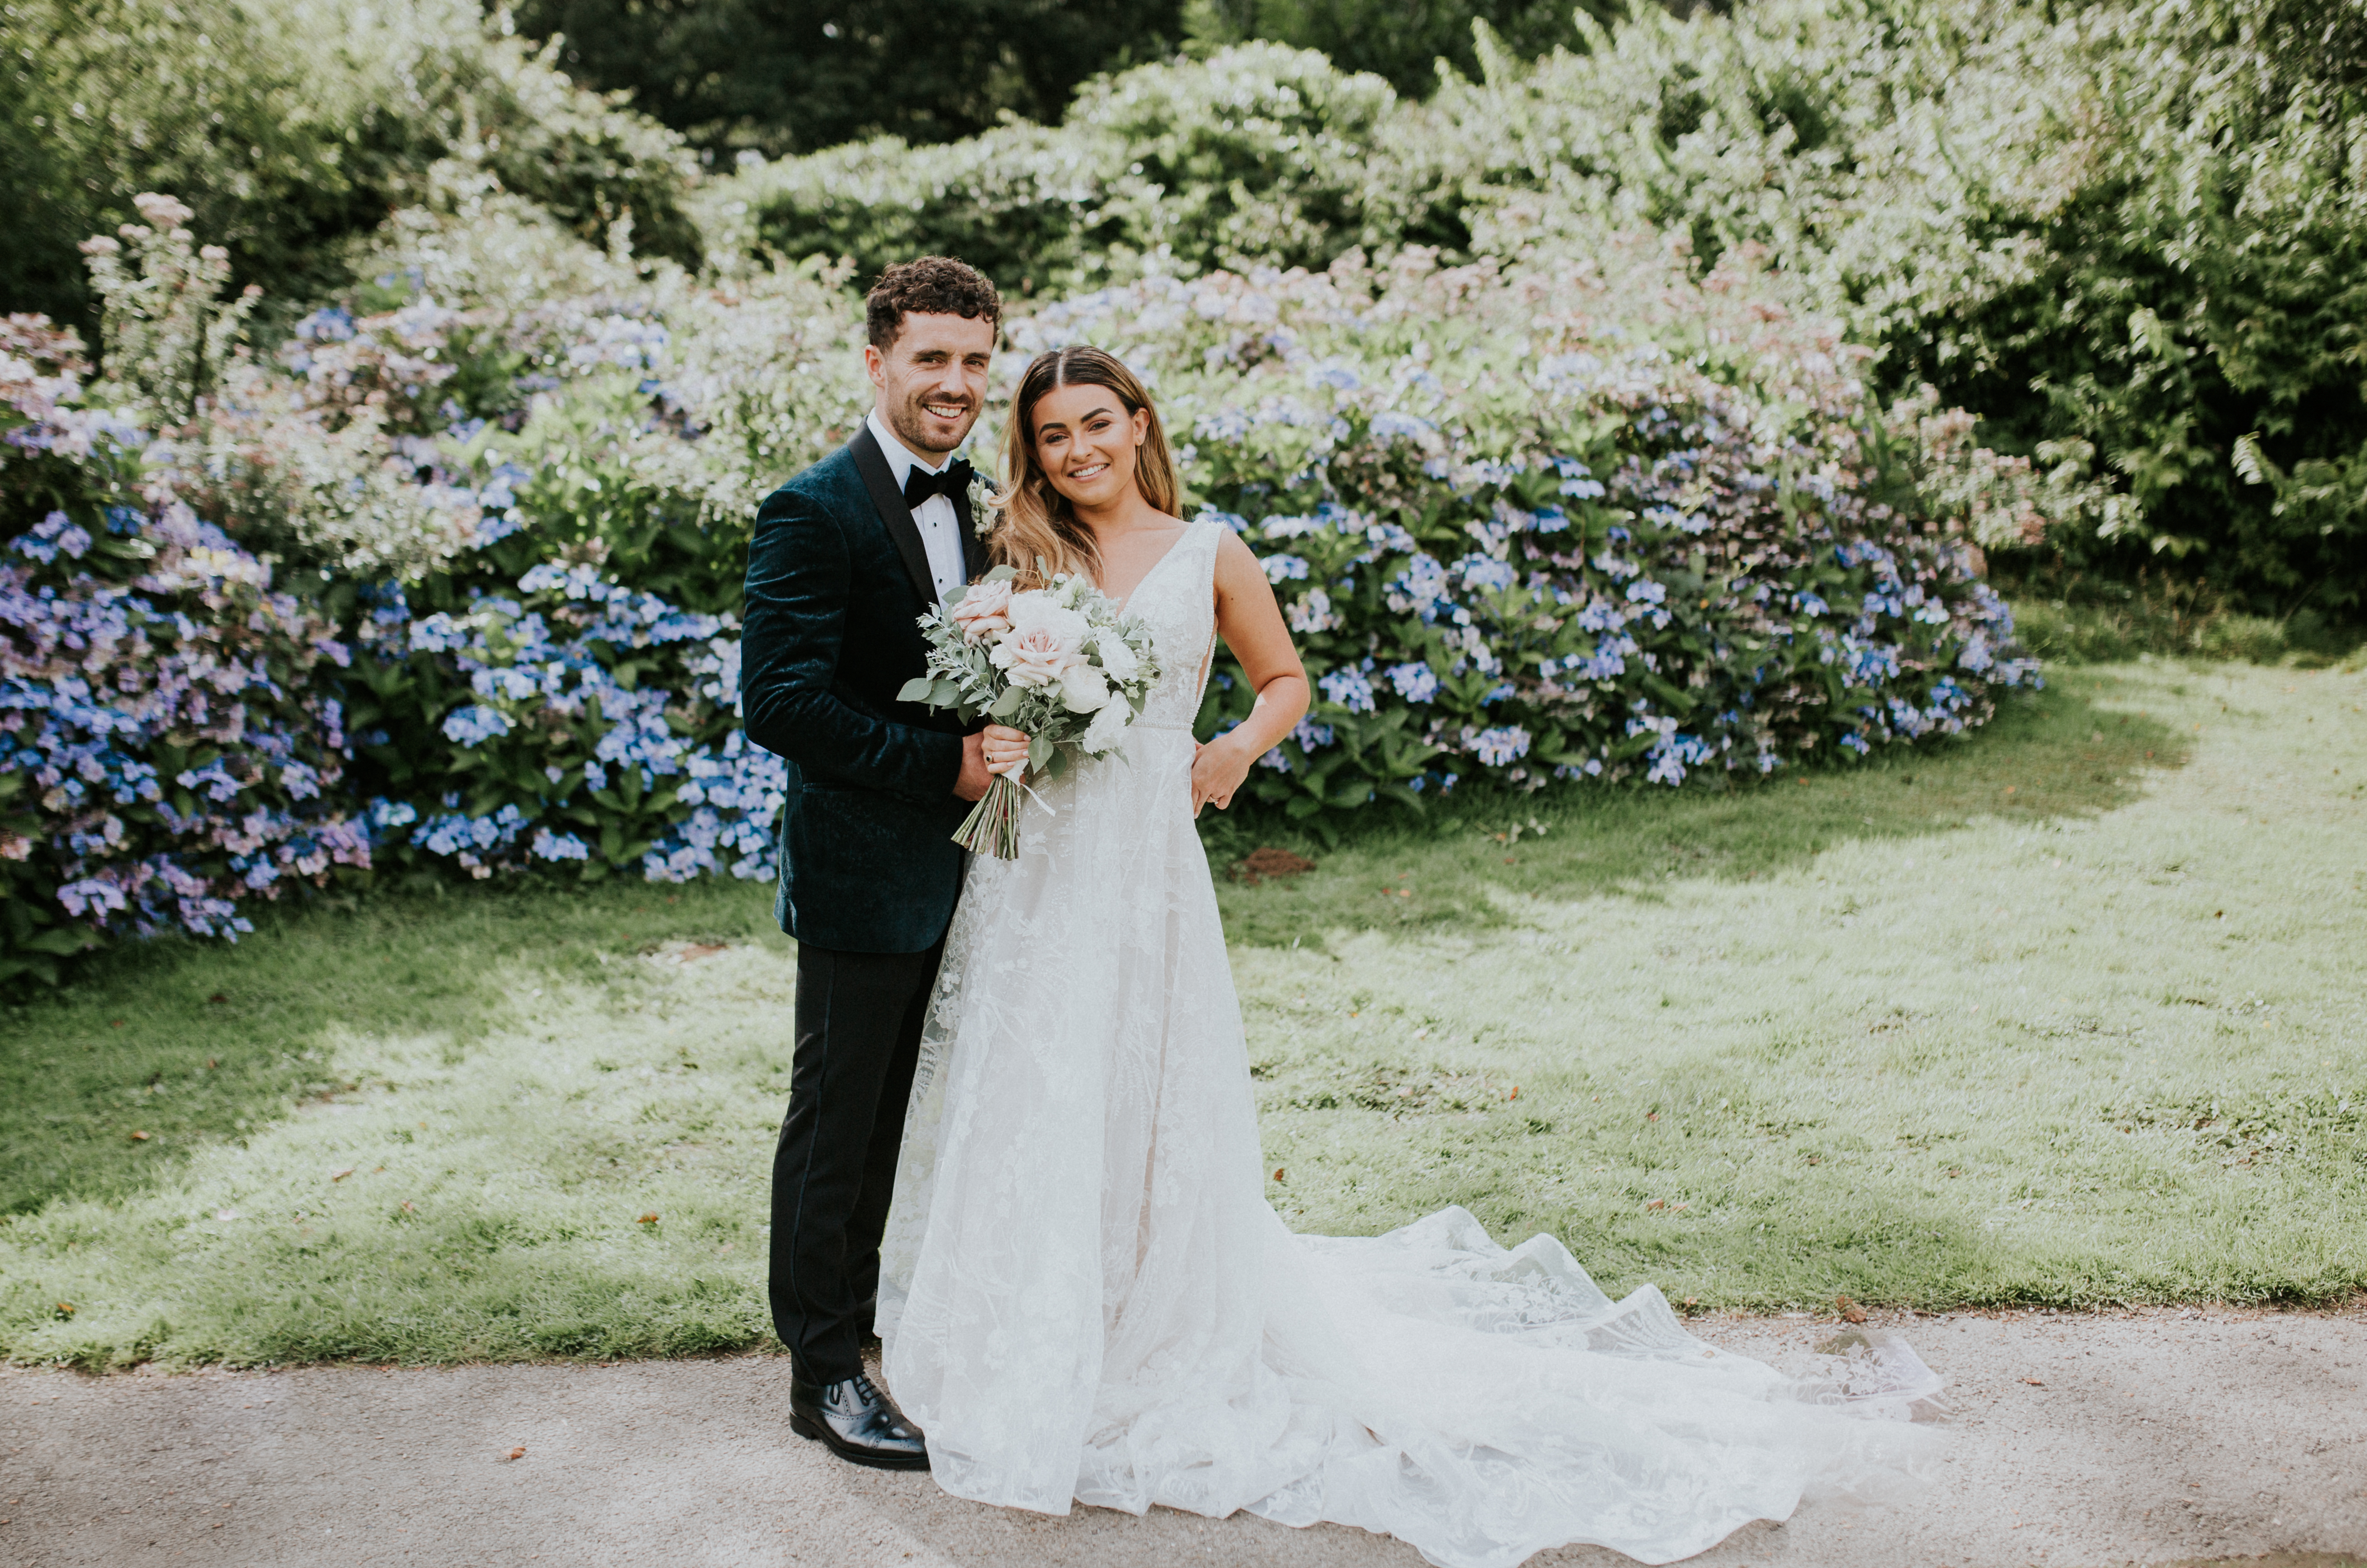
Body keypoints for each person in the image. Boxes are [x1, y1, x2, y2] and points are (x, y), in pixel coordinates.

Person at [871, 344, 1944, 1566]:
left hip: (1147, 862)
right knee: (1034, 1082)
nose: (1078, 452)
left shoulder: (1209, 550)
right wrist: (1002, 729)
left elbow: (1286, 680)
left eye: (1097, 424)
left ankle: (1146, 1311)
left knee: (1140, 1078)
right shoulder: (1025, 560)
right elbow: (985, 695)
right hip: (1041, 865)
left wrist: (1232, 751)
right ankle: (1031, 1314)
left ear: (1139, 423)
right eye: (1055, 434)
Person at [738, 256, 1005, 1471]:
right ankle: (825, 1374)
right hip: (862, 867)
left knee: (897, 1118)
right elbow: (780, 702)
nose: (955, 384)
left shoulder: (985, 501)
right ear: (877, 361)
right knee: (838, 1121)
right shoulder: (814, 508)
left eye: (974, 362)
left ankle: (868, 1333)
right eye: (932, 360)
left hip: (971, 872)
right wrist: (939, 769)